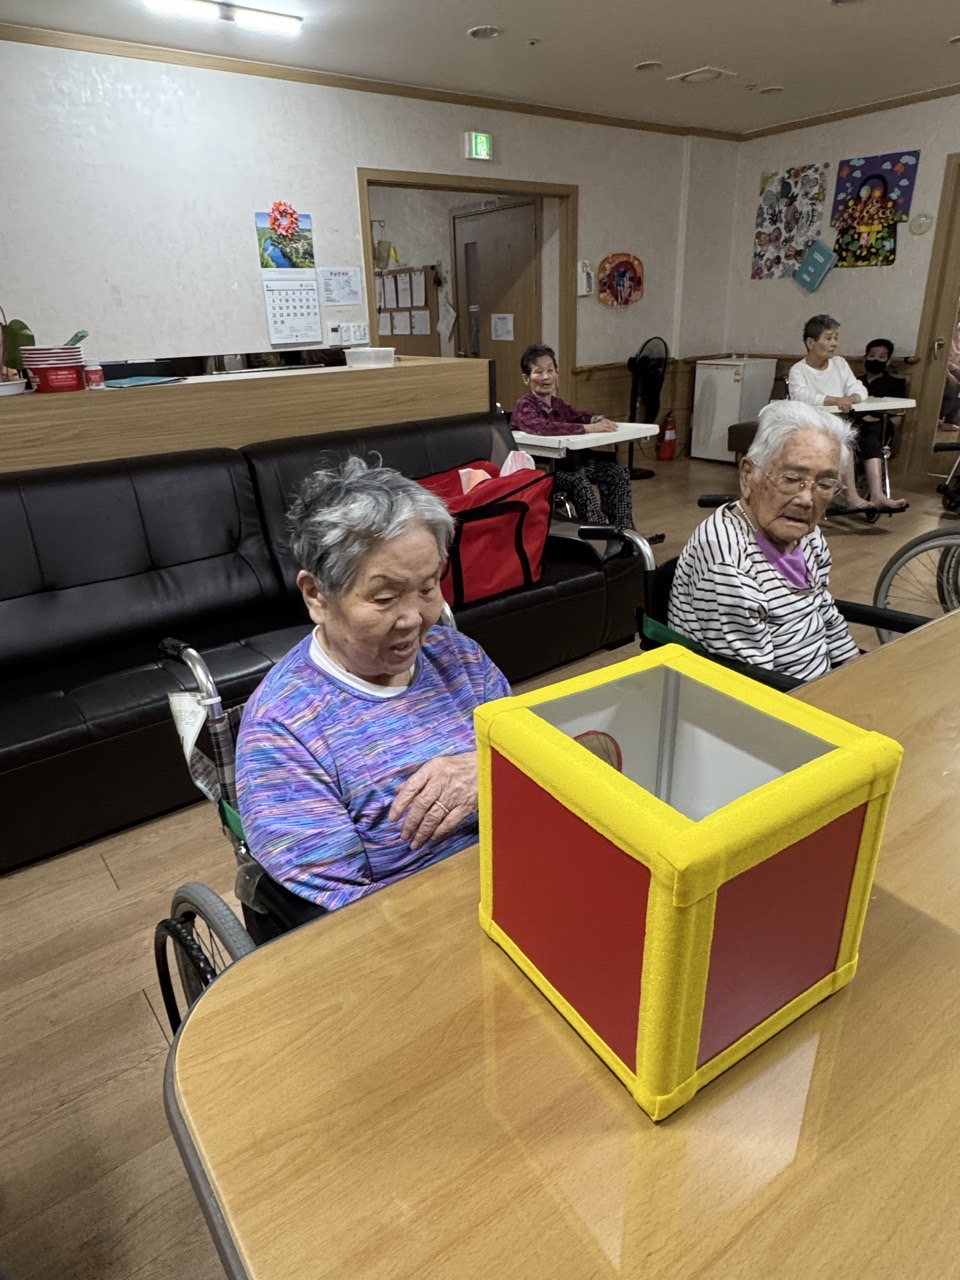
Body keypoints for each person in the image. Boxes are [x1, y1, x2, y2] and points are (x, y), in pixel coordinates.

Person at [235, 457, 510, 911]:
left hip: (520, 873)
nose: (415, 618)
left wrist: (490, 769)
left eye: (428, 588)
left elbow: (538, 762)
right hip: (416, 921)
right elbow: (346, 910)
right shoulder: (282, 730)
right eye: (385, 597)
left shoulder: (461, 659)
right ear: (317, 596)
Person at [668, 400, 859, 682]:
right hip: (779, 698)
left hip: (823, 684)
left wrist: (856, 673)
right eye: (791, 478)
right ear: (748, 475)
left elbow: (824, 611)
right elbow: (753, 686)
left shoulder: (807, 536)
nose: (807, 499)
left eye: (825, 484)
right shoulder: (728, 562)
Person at [787, 314, 906, 511]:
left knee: (871, 434)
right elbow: (802, 396)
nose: (834, 343)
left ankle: (877, 494)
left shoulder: (840, 364)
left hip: (844, 419)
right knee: (845, 437)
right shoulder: (798, 370)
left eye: (836, 338)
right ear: (810, 343)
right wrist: (835, 400)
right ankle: (851, 496)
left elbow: (859, 388)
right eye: (828, 338)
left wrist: (853, 398)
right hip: (815, 425)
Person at [510, 343, 635, 530]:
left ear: (557, 374)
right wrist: (589, 428)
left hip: (572, 463)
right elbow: (543, 428)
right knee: (579, 483)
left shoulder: (557, 404)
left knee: (617, 472)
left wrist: (597, 419)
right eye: (539, 372)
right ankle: (598, 535)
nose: (546, 377)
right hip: (544, 470)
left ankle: (623, 531)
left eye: (550, 370)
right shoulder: (524, 406)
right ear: (526, 378)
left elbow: (577, 415)